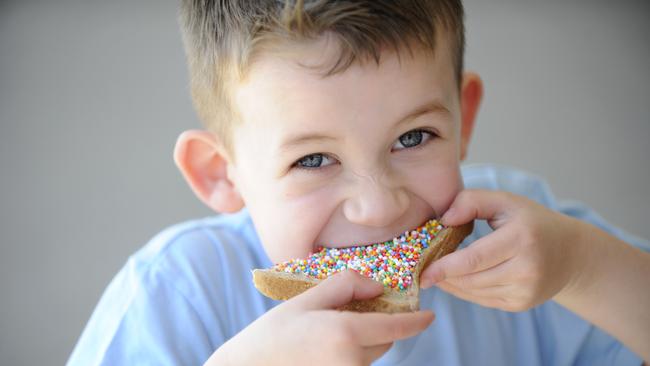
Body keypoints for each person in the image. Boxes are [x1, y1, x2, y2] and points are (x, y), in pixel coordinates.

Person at [68, 1, 650, 365]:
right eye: (315, 159)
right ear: (222, 173)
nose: (377, 208)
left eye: (413, 137)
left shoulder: (529, 239)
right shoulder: (178, 291)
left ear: (463, 119)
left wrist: (585, 268)